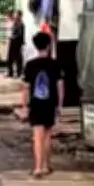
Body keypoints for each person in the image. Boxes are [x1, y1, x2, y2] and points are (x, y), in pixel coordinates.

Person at [20, 32, 64, 178]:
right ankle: (45, 166)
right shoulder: (55, 64)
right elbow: (60, 87)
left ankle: (37, 168)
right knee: (47, 135)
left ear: (35, 46)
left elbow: (25, 88)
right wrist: (59, 106)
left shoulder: (30, 65)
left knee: (37, 136)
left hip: (35, 104)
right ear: (48, 45)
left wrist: (24, 106)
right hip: (50, 103)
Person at [7, 11, 25, 78]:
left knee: (18, 58)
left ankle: (18, 73)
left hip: (17, 42)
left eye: (16, 15)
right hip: (13, 41)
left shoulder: (21, 24)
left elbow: (20, 34)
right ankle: (10, 72)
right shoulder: (15, 23)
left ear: (20, 16)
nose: (15, 16)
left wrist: (13, 37)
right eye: (15, 15)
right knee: (10, 57)